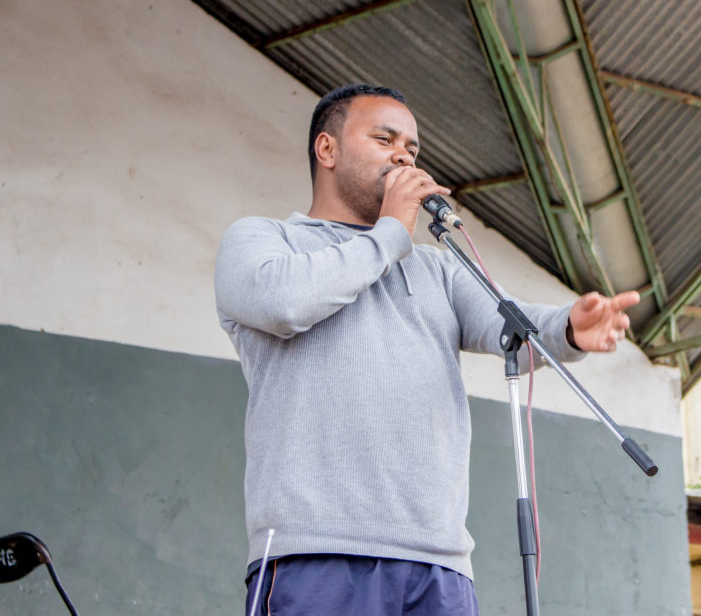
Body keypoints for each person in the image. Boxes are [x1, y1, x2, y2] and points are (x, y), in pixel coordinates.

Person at [215, 83, 639, 615]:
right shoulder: (264, 240)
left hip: (439, 564)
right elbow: (281, 303)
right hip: (316, 552)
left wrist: (570, 328)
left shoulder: (437, 267)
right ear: (327, 150)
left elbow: (510, 325)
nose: (403, 155)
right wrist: (392, 231)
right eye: (384, 138)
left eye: (412, 149)